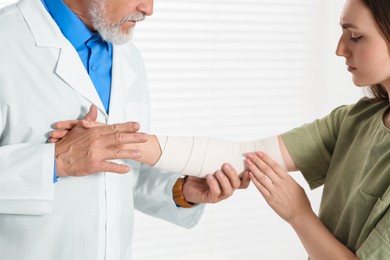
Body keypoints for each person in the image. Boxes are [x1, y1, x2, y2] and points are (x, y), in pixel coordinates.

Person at [52, 0, 390, 258]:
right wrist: (105, 142)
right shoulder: (354, 120)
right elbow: (240, 157)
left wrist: (299, 214)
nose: (339, 49)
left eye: (356, 36)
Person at [0, 0, 251, 259]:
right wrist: (57, 161)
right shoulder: (6, 40)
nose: (149, 9)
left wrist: (182, 190)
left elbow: (125, 173)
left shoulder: (127, 57)